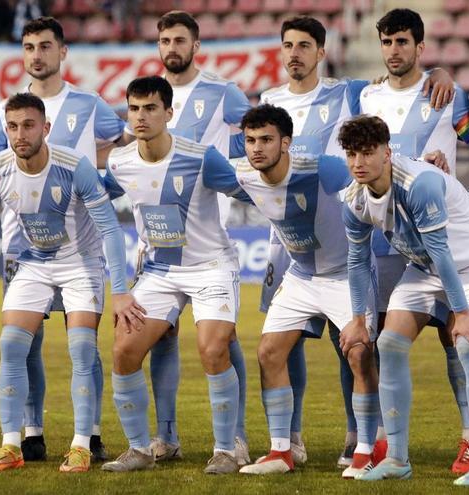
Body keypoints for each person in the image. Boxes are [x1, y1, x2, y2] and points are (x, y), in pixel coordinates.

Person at [257, 14, 454, 467]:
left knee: (348, 339)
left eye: (305, 45)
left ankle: (358, 434)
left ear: (321, 53)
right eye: (288, 45)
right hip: (285, 240)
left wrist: (438, 73)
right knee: (284, 338)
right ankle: (292, 437)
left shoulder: (350, 92)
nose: (294, 53)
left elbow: (398, 85)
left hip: (339, 229)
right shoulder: (268, 100)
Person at [0, 93, 142, 473]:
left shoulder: (74, 166)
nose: (20, 134)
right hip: (33, 263)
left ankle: (81, 444)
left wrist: (121, 291)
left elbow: (110, 228)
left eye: (29, 125)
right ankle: (11, 445)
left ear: (45, 128)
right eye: (12, 126)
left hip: (81, 262)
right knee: (11, 344)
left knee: (81, 348)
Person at [0, 16, 126, 462]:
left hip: (81, 239)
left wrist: (97, 181)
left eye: (44, 46)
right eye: (28, 47)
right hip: (23, 244)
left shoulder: (89, 102)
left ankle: (91, 432)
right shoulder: (6, 108)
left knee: (83, 341)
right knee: (26, 339)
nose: (36, 55)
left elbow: (122, 147)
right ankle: (31, 430)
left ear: (62, 52)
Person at [203, 104, 380, 476]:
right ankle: (280, 452)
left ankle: (367, 449)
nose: (256, 148)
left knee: (359, 353)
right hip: (301, 276)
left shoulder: (321, 169)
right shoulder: (245, 176)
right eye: (250, 140)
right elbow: (195, 168)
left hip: (345, 275)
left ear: (286, 143)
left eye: (266, 139)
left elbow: (374, 172)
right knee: (269, 352)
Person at [340, 115, 469, 485]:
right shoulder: (353, 198)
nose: (358, 163)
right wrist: (356, 317)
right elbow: (355, 260)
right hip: (426, 264)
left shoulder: (420, 184)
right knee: (388, 343)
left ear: (387, 152)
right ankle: (397, 459)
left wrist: (461, 312)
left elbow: (442, 250)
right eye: (351, 155)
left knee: (468, 346)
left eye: (367, 153)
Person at [100, 76, 243, 474]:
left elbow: (247, 190)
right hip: (160, 271)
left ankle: (226, 450)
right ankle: (140, 450)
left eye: (150, 108)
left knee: (213, 349)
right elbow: (96, 193)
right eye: (134, 108)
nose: (141, 116)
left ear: (169, 112)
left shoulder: (201, 157)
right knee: (124, 350)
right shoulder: (120, 161)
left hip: (211, 265)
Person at [361, 8, 469, 474]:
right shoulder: (367, 95)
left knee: (458, 342)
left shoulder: (447, 94)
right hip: (388, 241)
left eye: (402, 42)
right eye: (387, 42)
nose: (394, 50)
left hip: (443, 238)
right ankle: (380, 442)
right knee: (380, 343)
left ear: (420, 47)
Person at [145, 10, 252, 466]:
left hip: (210, 235)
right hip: (159, 238)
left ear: (196, 46)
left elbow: (256, 138)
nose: (172, 47)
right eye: (165, 39)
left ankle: (238, 436)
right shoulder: (150, 96)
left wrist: (230, 167)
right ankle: (166, 437)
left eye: (180, 39)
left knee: (221, 340)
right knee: (159, 336)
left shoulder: (222, 92)